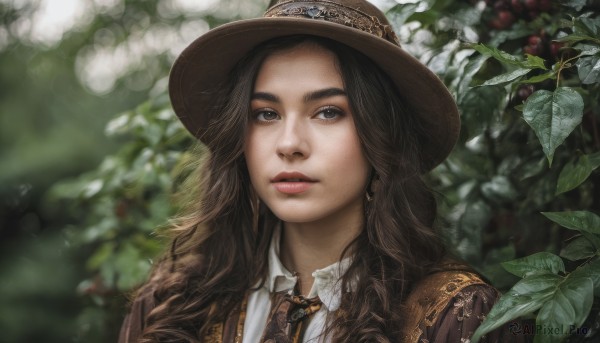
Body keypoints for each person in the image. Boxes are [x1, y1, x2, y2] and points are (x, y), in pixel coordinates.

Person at [119, 0, 523, 342]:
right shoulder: (171, 305)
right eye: (266, 114)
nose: (289, 143)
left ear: (382, 136)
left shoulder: (455, 314)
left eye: (328, 112)